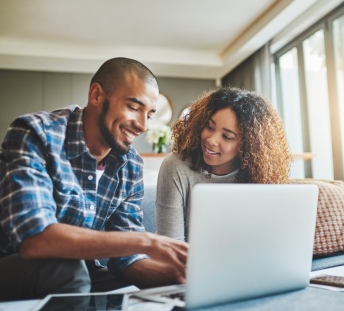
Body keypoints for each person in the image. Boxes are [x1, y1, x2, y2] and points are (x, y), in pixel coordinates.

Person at [0, 57, 188, 301]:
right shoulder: (35, 133)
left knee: (130, 289)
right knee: (70, 271)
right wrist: (146, 241)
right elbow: (35, 239)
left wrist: (181, 276)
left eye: (149, 114)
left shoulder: (130, 165)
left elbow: (127, 259)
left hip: (78, 271)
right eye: (133, 107)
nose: (142, 125)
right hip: (13, 263)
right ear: (97, 95)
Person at [156, 86, 293, 241]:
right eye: (209, 127)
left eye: (227, 137)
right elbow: (169, 245)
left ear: (248, 145)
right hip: (186, 262)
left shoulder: (260, 175)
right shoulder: (176, 167)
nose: (211, 140)